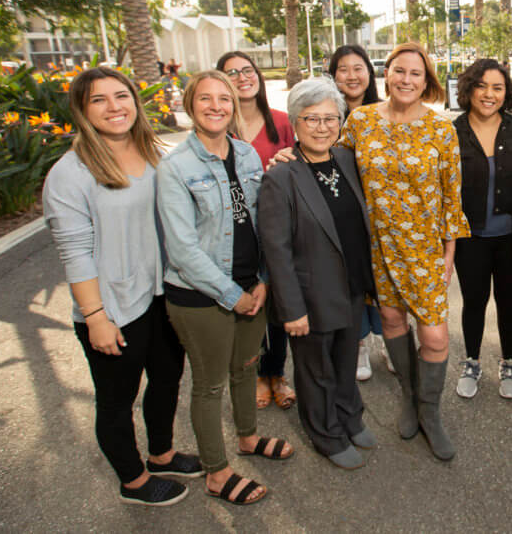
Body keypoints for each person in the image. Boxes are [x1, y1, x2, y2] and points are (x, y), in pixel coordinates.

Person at [43, 67, 199, 507]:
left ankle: (162, 454)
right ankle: (132, 482)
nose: (114, 107)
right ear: (82, 110)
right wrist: (95, 317)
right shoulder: (70, 175)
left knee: (168, 378)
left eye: (121, 96)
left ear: (135, 100)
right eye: (99, 100)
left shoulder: (157, 154)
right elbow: (75, 253)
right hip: (113, 308)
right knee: (117, 400)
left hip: (163, 296)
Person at [157, 71, 292, 506]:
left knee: (246, 368)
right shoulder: (176, 167)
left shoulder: (248, 154)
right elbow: (182, 250)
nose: (216, 106)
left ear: (234, 105)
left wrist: (264, 283)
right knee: (210, 384)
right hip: (201, 296)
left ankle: (248, 438)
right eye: (205, 99)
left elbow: (263, 221)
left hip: (252, 286)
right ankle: (216, 472)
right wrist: (233, 295)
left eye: (224, 99)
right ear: (189, 105)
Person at [339, 42, 470, 460]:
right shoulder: (360, 121)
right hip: (378, 247)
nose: (406, 80)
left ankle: (430, 413)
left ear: (426, 80)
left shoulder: (441, 129)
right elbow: (332, 166)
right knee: (392, 322)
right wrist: (290, 157)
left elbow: (453, 197)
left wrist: (449, 254)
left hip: (426, 251)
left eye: (415, 73)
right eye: (399, 71)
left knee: (433, 336)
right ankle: (408, 397)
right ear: (387, 74)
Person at [258, 78, 378, 468]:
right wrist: (291, 309)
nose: (323, 126)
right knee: (315, 371)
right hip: (310, 296)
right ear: (295, 121)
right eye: (312, 118)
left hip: (351, 285)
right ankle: (325, 432)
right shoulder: (281, 176)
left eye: (331, 118)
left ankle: (349, 416)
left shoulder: (345, 160)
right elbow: (276, 250)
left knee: (345, 361)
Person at [216, 51, 298, 410]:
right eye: (231, 73)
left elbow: (298, 170)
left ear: (258, 76)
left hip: (277, 226)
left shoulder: (281, 122)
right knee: (248, 307)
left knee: (278, 305)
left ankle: (276, 373)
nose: (242, 77)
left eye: (247, 70)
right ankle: (254, 375)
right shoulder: (217, 126)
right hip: (234, 231)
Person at [452, 59, 512, 399]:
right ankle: (471, 360)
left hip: (511, 238)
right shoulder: (451, 131)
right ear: (469, 88)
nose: (489, 94)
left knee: (507, 301)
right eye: (482, 86)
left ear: (507, 93)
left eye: (498, 88)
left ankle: (507, 361)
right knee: (474, 301)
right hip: (469, 237)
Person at [327, 44, 388, 381]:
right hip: (343, 216)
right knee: (351, 282)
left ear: (369, 72)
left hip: (382, 216)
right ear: (333, 75)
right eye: (343, 69)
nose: (351, 76)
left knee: (383, 282)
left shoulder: (384, 112)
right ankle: (360, 345)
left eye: (358, 67)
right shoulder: (325, 114)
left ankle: (389, 341)